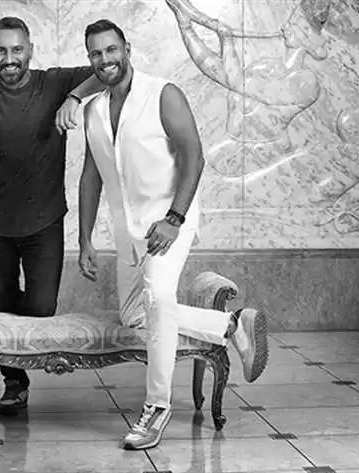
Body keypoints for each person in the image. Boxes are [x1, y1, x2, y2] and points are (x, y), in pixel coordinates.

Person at [78, 20, 269, 450]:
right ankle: (230, 324)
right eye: (96, 53)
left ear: (127, 48)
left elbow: (193, 156)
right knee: (136, 315)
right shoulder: (93, 111)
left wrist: (175, 218)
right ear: (89, 59)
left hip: (169, 220)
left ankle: (156, 408)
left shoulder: (163, 94)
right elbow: (91, 175)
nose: (105, 59)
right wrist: (85, 238)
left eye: (111, 49)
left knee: (159, 296)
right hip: (128, 231)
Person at [0, 16, 107, 416]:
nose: (9, 58)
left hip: (45, 220)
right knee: (4, 304)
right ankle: (14, 384)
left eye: (17, 50)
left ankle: (22, 355)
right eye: (1, 51)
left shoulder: (55, 82)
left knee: (42, 306)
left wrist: (74, 97)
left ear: (31, 50)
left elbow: (103, 73)